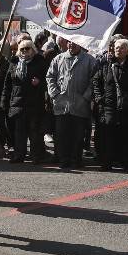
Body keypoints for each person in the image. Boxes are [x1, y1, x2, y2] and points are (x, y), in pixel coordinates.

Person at [93, 38, 128, 172]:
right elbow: (96, 81)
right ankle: (107, 163)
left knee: (125, 136)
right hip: (108, 106)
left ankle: (126, 163)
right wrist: (99, 98)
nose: (118, 49)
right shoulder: (106, 64)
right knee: (108, 135)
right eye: (117, 47)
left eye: (122, 47)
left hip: (127, 107)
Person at [46, 39, 95, 171]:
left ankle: (76, 160)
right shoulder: (58, 58)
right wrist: (55, 94)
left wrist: (86, 97)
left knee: (78, 136)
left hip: (80, 105)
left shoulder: (89, 60)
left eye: (74, 42)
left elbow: (94, 80)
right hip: (61, 105)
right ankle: (64, 160)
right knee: (61, 135)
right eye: (69, 42)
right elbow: (50, 77)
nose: (71, 44)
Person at [0, 38, 48, 164]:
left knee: (34, 131)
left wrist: (39, 83)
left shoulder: (40, 62)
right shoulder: (14, 62)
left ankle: (36, 156)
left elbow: (47, 81)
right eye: (22, 49)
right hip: (18, 102)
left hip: (34, 102)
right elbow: (7, 85)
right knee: (19, 132)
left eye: (27, 48)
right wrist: (4, 102)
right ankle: (19, 155)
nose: (24, 51)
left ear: (33, 50)